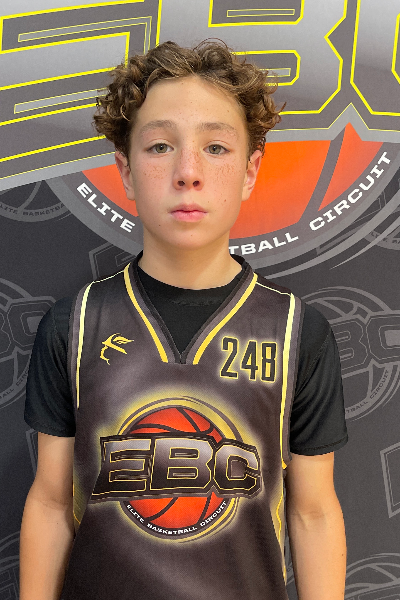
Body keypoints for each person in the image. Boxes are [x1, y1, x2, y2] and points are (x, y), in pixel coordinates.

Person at [20, 40, 348, 600]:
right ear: (125, 170)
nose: (188, 172)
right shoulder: (74, 326)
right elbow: (51, 502)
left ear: (250, 171)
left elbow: (313, 512)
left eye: (215, 147)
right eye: (160, 147)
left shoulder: (298, 331)